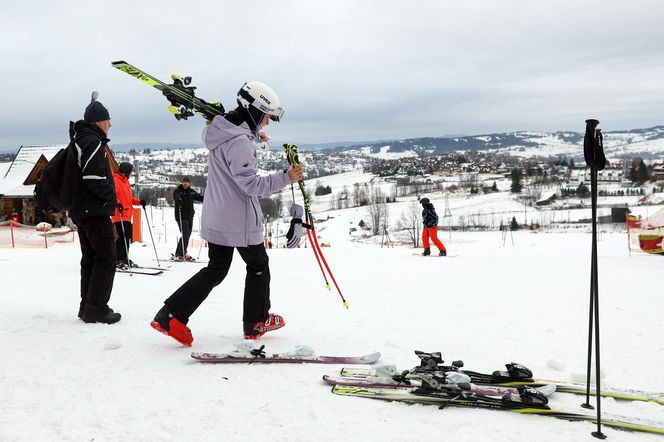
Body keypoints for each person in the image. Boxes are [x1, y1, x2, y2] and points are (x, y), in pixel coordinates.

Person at [151, 80, 303, 346]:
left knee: (217, 268)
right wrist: (286, 177)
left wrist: (254, 136)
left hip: (218, 214)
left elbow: (237, 141)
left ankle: (170, 315)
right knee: (258, 266)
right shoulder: (240, 143)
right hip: (239, 220)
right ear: (255, 111)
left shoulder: (220, 130)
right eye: (266, 117)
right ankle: (256, 321)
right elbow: (251, 185)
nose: (267, 123)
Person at [69, 98, 121, 324]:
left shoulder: (80, 139)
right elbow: (93, 178)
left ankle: (87, 306)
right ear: (100, 121)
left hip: (83, 210)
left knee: (90, 259)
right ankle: (97, 309)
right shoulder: (92, 142)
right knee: (106, 258)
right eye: (108, 120)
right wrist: (112, 198)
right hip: (94, 211)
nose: (110, 124)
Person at [112, 162, 144, 268]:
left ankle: (124, 258)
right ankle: (117, 260)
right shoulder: (116, 180)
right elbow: (112, 195)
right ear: (126, 172)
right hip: (119, 215)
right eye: (130, 172)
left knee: (127, 238)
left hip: (127, 215)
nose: (131, 174)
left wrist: (139, 202)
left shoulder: (126, 182)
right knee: (121, 238)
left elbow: (129, 199)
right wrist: (117, 203)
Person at [173, 177, 204, 261]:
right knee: (186, 234)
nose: (185, 183)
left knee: (186, 235)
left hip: (190, 216)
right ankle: (181, 254)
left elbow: (200, 198)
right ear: (182, 183)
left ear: (189, 183)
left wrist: (208, 199)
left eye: (187, 182)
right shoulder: (178, 191)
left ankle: (178, 253)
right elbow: (176, 196)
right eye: (184, 182)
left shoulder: (192, 192)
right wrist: (178, 199)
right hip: (181, 216)